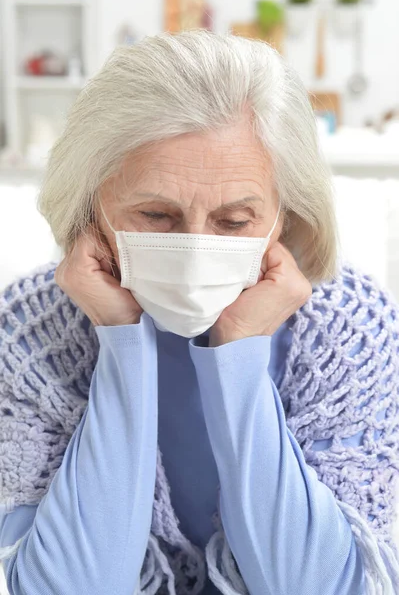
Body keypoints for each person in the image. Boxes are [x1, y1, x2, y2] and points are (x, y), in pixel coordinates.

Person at [0, 30, 399, 595]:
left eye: (234, 221)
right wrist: (121, 339)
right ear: (91, 205)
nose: (193, 246)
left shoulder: (348, 331)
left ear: (283, 216)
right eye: (156, 214)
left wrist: (237, 351)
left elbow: (324, 588)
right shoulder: (27, 333)